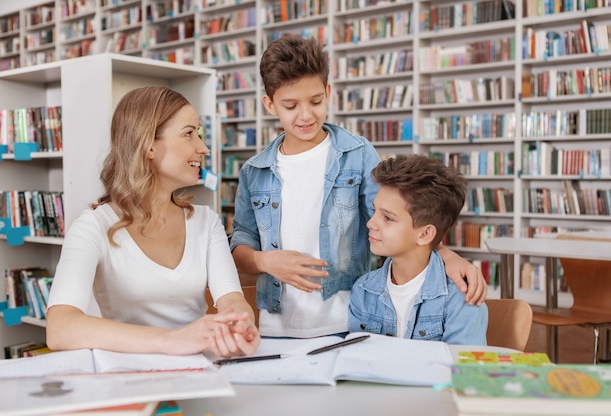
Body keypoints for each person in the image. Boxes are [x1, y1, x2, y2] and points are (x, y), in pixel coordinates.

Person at [229, 34, 488, 339]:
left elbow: (399, 219)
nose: (305, 115)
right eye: (290, 105)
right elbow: (239, 243)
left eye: (315, 101)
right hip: (277, 324)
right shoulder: (254, 171)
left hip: (350, 319)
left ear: (328, 92)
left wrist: (448, 256)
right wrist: (265, 261)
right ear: (270, 104)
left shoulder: (357, 154)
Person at [46, 86, 259, 357]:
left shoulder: (206, 221)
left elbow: (231, 297)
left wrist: (240, 323)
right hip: (130, 377)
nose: (203, 148)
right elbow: (60, 327)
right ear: (148, 146)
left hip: (201, 371)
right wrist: (173, 341)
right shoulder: (93, 226)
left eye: (199, 135)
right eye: (189, 134)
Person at [349, 155, 487, 344]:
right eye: (374, 211)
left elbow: (464, 370)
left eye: (388, 218)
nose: (371, 223)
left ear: (424, 234)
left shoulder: (460, 298)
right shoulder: (363, 291)